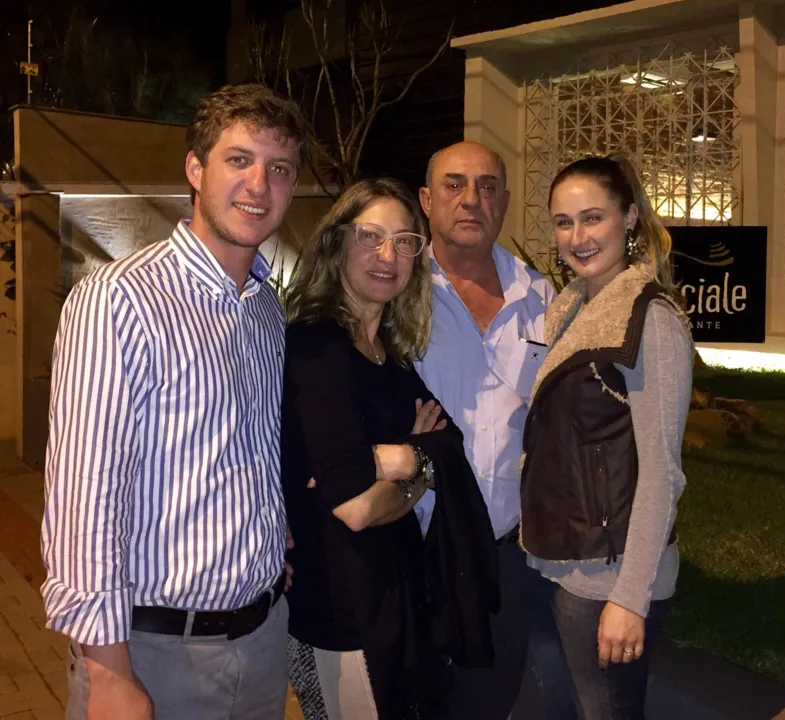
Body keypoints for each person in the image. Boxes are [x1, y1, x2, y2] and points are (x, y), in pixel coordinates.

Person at [41, 83, 305, 720]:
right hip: (154, 653)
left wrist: (266, 537)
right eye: (238, 160)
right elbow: (84, 492)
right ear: (195, 167)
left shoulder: (266, 309)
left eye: (279, 169)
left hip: (263, 639)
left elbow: (245, 448)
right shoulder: (120, 299)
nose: (258, 185)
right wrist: (108, 674)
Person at [281, 177, 498, 720]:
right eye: (371, 236)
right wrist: (410, 458)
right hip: (339, 612)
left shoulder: (392, 355)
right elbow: (355, 509)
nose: (388, 255)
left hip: (396, 600)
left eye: (405, 241)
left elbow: (447, 442)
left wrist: (408, 461)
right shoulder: (318, 345)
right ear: (335, 243)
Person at [520, 155, 694, 719]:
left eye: (592, 218)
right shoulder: (573, 309)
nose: (577, 236)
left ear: (629, 218)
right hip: (563, 564)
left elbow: (663, 471)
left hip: (609, 576)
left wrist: (629, 596)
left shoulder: (651, 320)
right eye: (564, 222)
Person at [415, 141, 577, 720]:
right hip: (414, 548)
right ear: (426, 200)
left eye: (487, 187)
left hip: (507, 556)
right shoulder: (397, 293)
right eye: (454, 185)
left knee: (488, 703)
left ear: (505, 202)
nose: (471, 199)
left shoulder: (543, 300)